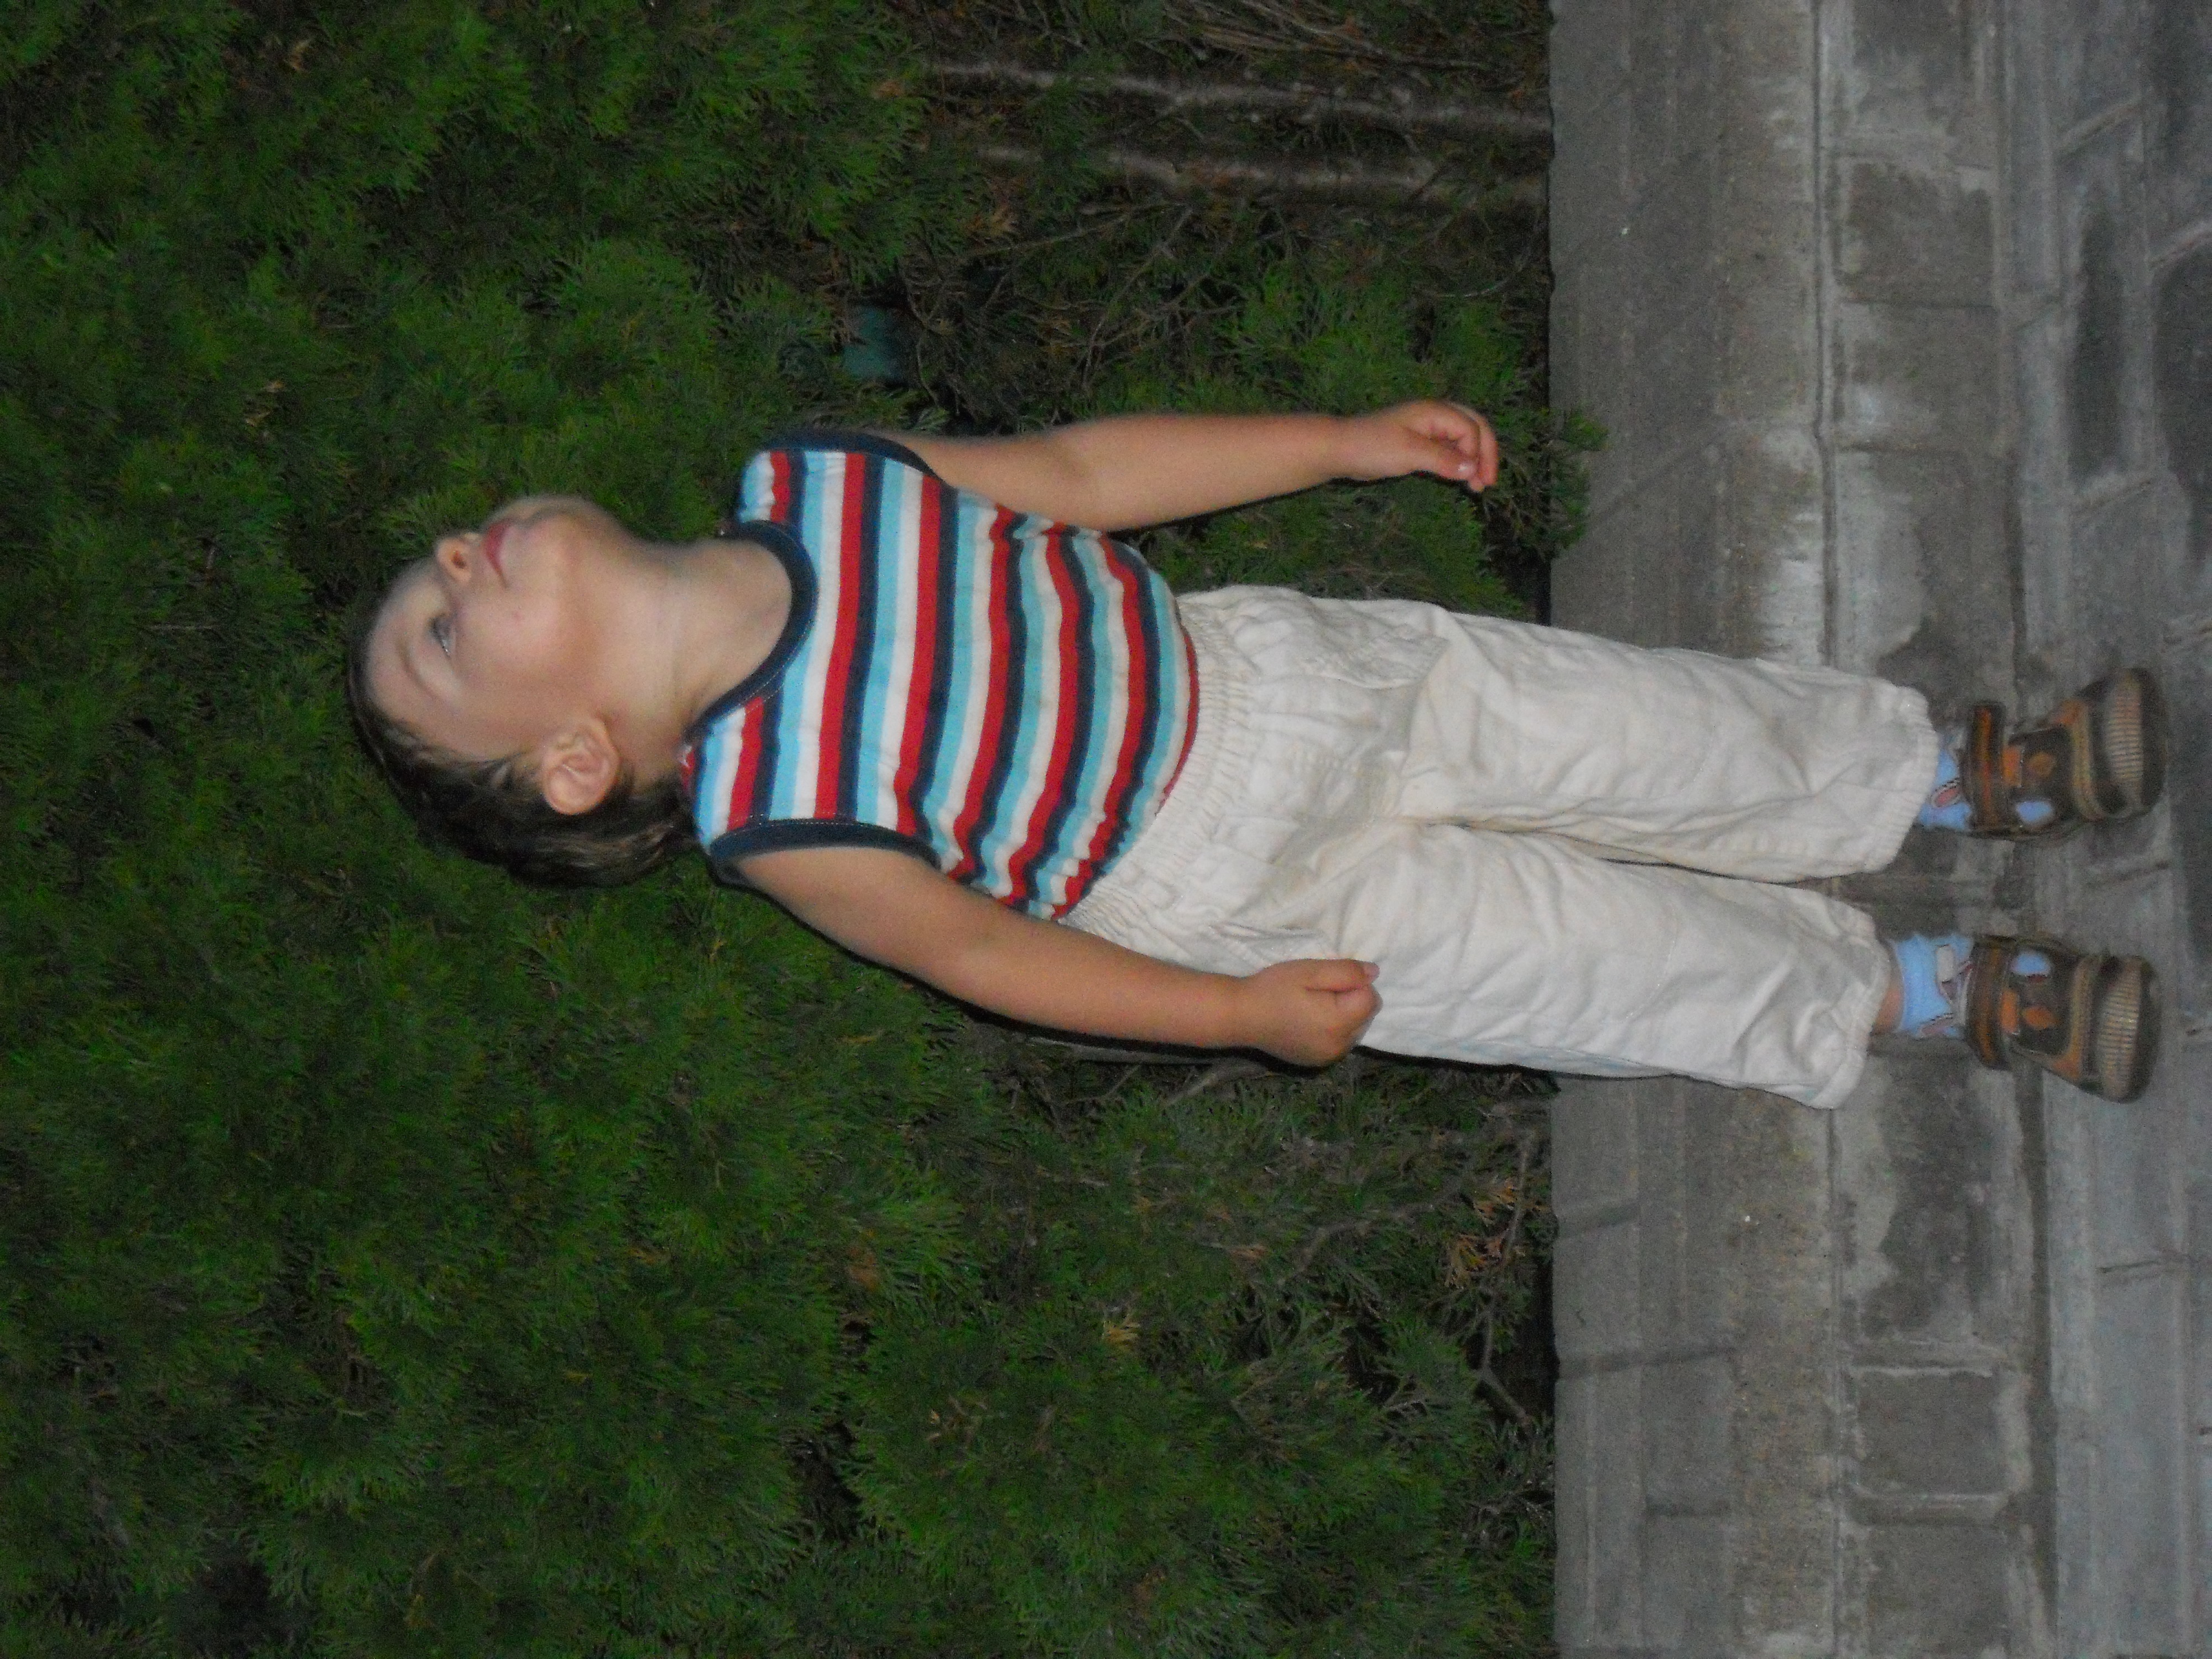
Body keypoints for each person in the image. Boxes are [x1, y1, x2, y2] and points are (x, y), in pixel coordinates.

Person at [348, 403, 2169, 1105]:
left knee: (1650, 727)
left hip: (1292, 676)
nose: (452, 561)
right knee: (1597, 964)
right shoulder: (775, 812)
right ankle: (1928, 995)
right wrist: (1229, 1014)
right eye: (442, 635)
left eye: (434, 570)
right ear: (574, 763)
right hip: (1238, 892)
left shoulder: (816, 479)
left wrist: (1337, 441)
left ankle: (1942, 780)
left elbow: (1079, 475)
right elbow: (984, 954)